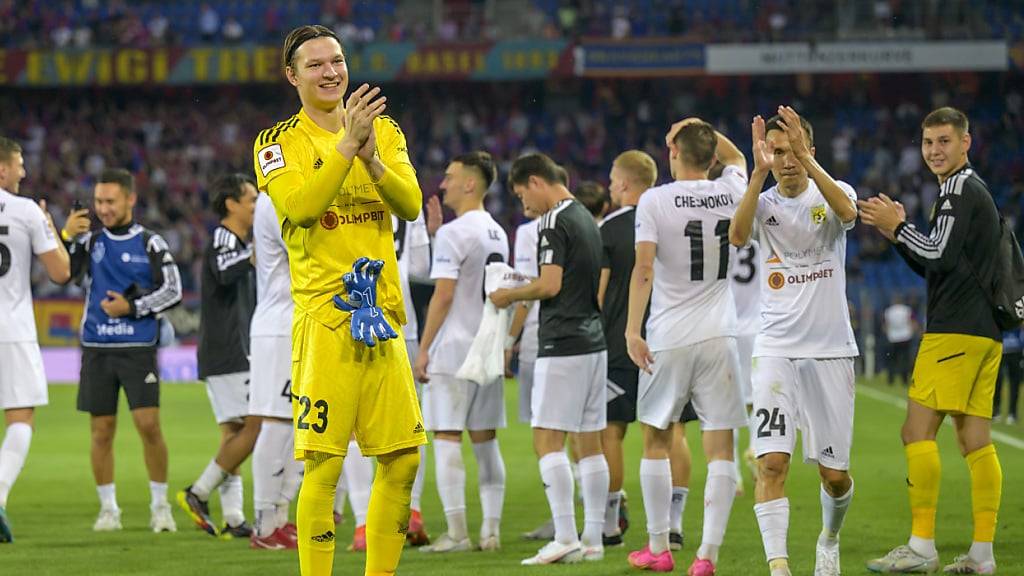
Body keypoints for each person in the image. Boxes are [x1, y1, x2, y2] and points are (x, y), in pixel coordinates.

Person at [252, 25, 426, 576]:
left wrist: (373, 159)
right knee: (323, 465)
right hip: (326, 321)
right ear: (292, 76)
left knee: (402, 459)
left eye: (338, 61)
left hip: (384, 319)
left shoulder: (386, 131)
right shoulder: (276, 142)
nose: (331, 72)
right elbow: (302, 207)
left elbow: (413, 205)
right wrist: (347, 145)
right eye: (316, 65)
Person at [861, 107, 1004, 574]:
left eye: (944, 141)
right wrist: (900, 235)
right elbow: (936, 260)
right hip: (982, 332)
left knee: (915, 431)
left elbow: (937, 256)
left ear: (966, 142)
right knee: (975, 439)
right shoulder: (967, 189)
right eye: (928, 143)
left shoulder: (958, 190)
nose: (935, 151)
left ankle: (921, 546)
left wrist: (896, 227)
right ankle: (981, 556)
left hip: (955, 331)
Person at [730, 107, 860, 576]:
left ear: (810, 151)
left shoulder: (836, 191)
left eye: (795, 151)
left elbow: (848, 214)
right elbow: (738, 234)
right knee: (771, 464)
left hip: (830, 350)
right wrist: (756, 173)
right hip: (775, 347)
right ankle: (779, 567)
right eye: (779, 151)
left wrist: (809, 160)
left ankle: (829, 538)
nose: (787, 161)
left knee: (835, 476)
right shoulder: (764, 204)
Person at [625, 119, 748, 576]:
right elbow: (738, 159)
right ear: (712, 155)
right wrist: (705, 130)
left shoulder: (654, 200)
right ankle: (707, 557)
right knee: (721, 448)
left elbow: (644, 269)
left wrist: (631, 330)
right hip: (720, 334)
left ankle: (659, 547)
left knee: (656, 439)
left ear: (672, 150)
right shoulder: (732, 189)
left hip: (668, 335)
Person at [490, 153, 609, 565]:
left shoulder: (554, 221)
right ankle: (593, 537)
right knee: (589, 442)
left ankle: (563, 536)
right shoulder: (587, 219)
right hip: (594, 343)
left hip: (563, 343)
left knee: (547, 439)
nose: (526, 207)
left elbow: (550, 285)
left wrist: (510, 294)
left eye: (524, 197)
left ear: (537, 181)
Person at [61, 168, 182, 533]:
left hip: (137, 347)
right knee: (101, 431)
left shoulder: (150, 242)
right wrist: (68, 235)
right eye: (99, 201)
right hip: (97, 347)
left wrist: (133, 308)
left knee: (148, 426)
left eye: (110, 201)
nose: (103, 208)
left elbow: (173, 289)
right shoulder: (89, 241)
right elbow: (66, 274)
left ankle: (160, 507)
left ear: (131, 199)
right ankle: (108, 510)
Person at [598, 149, 694, 549]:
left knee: (611, 432)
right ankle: (673, 523)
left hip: (621, 343)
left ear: (623, 183)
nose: (609, 187)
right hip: (672, 339)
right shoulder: (674, 218)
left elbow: (599, 295)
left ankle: (609, 524)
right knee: (673, 434)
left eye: (611, 180)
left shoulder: (610, 227)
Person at [414, 151, 509, 553]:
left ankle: (456, 532)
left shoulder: (456, 233)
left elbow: (446, 294)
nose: (443, 184)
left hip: (453, 348)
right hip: (487, 346)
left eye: (450, 177)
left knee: (448, 437)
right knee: (486, 442)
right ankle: (490, 530)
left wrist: (424, 350)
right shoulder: (498, 232)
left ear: (471, 183)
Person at [178, 174, 259, 538]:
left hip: (224, 351)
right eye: (252, 200)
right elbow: (225, 273)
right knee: (256, 427)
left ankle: (233, 518)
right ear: (232, 204)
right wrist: (254, 255)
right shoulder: (225, 238)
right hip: (230, 351)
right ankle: (198, 492)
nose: (257, 206)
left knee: (233, 434)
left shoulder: (238, 240)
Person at [0, 136, 71, 542]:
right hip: (12, 329)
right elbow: (60, 272)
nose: (24, 173)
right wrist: (50, 227)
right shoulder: (26, 211)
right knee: (21, 417)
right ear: (3, 169)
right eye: (19, 165)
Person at [249, 190, 302, 550]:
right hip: (279, 325)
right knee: (277, 421)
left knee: (298, 422)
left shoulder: (285, 193)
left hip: (295, 322)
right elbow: (305, 250)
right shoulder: (278, 197)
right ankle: (264, 524)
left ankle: (280, 516)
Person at [883, 295, 918, 386]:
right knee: (905, 359)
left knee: (892, 360)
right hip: (905, 337)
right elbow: (913, 322)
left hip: (893, 338)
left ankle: (891, 380)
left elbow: (886, 325)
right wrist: (913, 332)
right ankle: (905, 380)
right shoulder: (907, 310)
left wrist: (887, 334)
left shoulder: (889, 311)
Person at [994, 327, 1022, 424]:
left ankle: (1012, 413)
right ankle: (996, 411)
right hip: (1001, 349)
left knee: (1014, 383)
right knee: (997, 382)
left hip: (1015, 350)